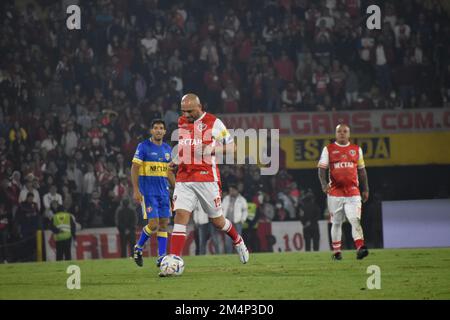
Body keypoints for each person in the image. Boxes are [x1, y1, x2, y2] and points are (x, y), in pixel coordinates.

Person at [161, 93, 249, 277]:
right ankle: (174, 260)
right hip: (185, 178)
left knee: (217, 221)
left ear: (199, 107)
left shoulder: (214, 123)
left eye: (189, 111)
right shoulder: (182, 122)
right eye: (183, 111)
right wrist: (177, 160)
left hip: (206, 178)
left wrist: (213, 148)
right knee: (180, 216)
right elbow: (185, 148)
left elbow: (232, 147)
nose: (185, 115)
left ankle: (237, 239)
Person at [318, 124, 370, 260]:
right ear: (335, 134)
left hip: (353, 192)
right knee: (336, 223)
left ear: (349, 134)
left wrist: (365, 189)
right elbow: (322, 169)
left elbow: (362, 171)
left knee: (355, 219)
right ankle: (337, 252)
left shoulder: (356, 149)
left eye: (345, 131)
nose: (342, 133)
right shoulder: (328, 149)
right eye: (339, 131)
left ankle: (360, 247)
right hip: (335, 192)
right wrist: (324, 184)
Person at [131, 119, 175, 267]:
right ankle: (138, 247)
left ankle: (161, 257)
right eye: (155, 128)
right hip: (148, 193)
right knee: (153, 223)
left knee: (164, 224)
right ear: (151, 131)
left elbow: (168, 172)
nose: (158, 130)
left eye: (161, 128)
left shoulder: (168, 149)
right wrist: (136, 190)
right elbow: (134, 168)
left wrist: (176, 189)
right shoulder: (143, 147)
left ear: (164, 131)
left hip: (163, 193)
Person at [222, 185, 248, 254]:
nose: (231, 192)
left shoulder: (242, 199)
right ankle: (229, 255)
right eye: (230, 190)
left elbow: (245, 211)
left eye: (232, 190)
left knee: (238, 241)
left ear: (236, 191)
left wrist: (242, 220)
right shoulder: (226, 199)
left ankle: (239, 254)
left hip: (237, 223)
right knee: (228, 241)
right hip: (228, 223)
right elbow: (222, 209)